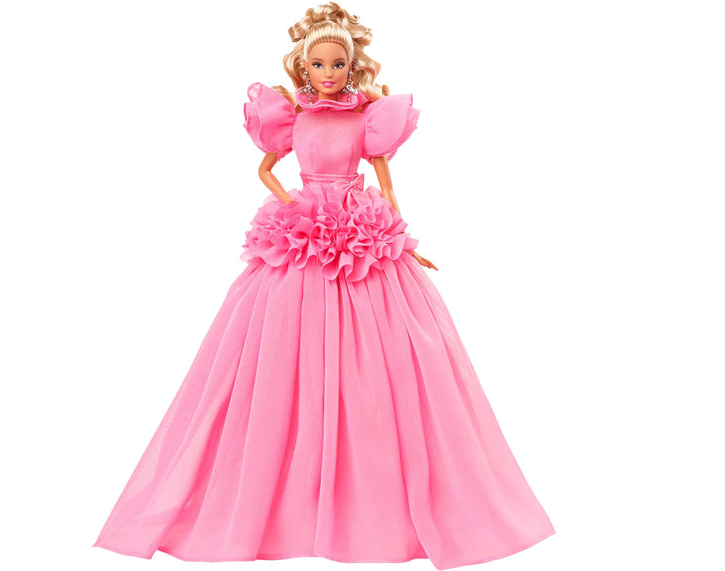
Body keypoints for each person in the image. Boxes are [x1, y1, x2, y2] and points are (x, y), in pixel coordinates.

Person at [93, 3, 555, 569]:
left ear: (352, 66)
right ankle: (281, 497)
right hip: (301, 235)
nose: (329, 73)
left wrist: (399, 237)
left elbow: (387, 185)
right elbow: (266, 171)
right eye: (318, 64)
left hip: (360, 238)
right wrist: (291, 205)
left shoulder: (368, 121)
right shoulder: (294, 120)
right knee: (276, 356)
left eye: (338, 64)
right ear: (303, 67)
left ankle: (377, 503)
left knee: (382, 362)